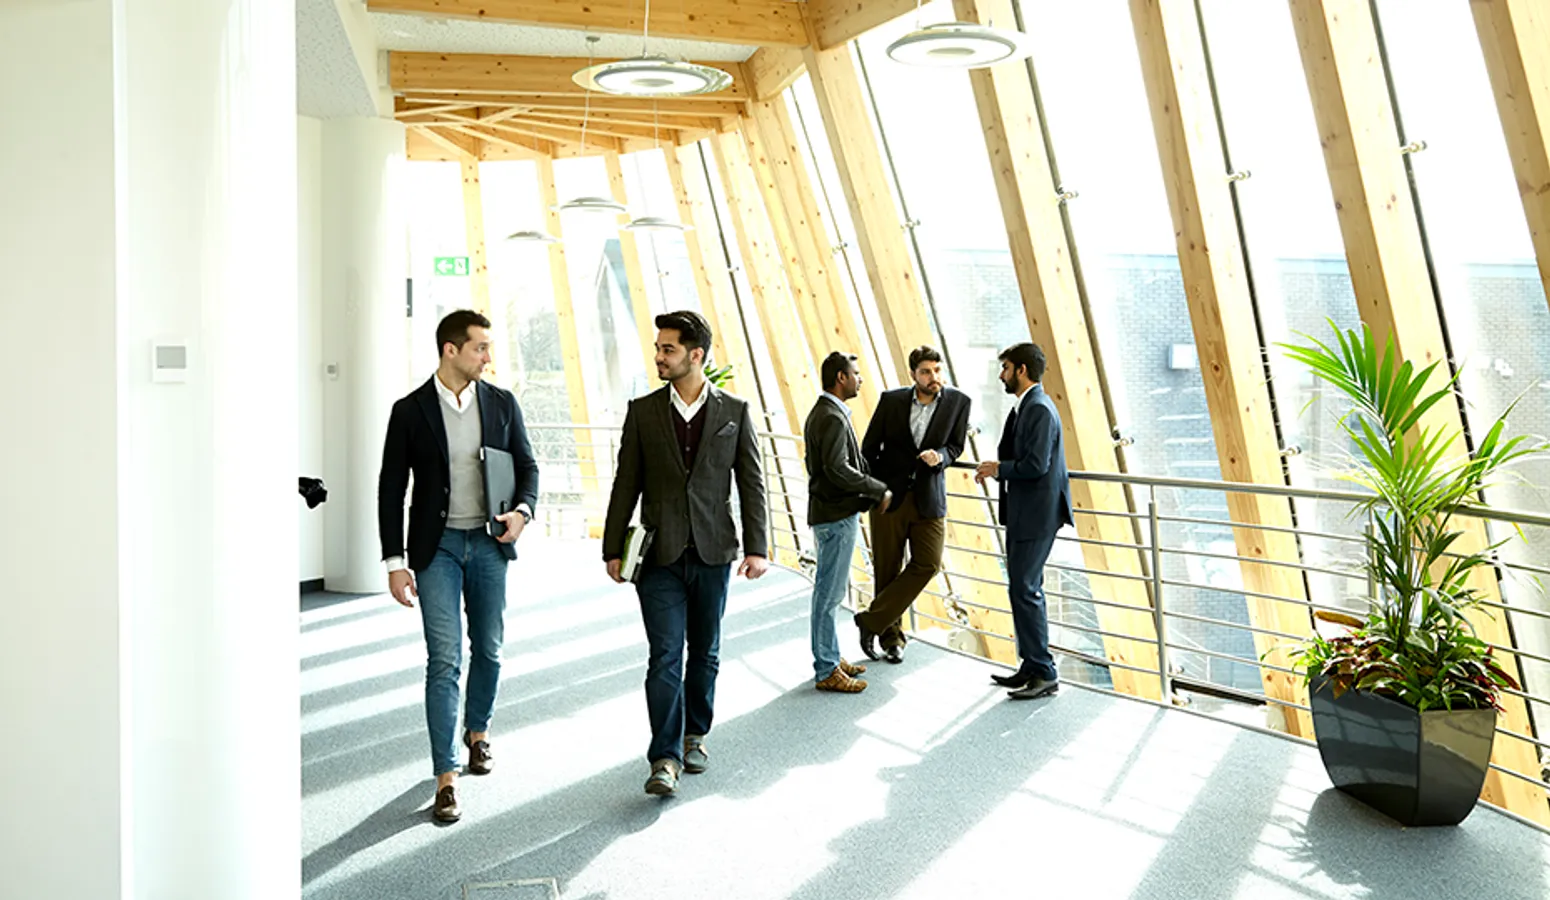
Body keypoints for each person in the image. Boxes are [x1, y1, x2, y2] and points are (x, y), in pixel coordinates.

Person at [378, 309, 539, 822]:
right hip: (437, 549)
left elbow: (529, 467)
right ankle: (445, 775)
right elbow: (390, 489)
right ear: (451, 350)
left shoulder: (502, 403)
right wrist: (395, 562)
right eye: (480, 347)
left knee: (489, 649)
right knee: (444, 659)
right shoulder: (410, 411)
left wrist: (523, 512)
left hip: (489, 544)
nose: (488, 356)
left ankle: (478, 732)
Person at [603, 310, 769, 796]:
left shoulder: (734, 411)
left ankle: (695, 733)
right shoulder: (643, 412)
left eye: (668, 349)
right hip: (659, 556)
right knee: (665, 655)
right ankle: (664, 758)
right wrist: (613, 548)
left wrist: (757, 547)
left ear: (695, 355)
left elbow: (752, 482)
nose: (659, 356)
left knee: (706, 652)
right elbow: (625, 483)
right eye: (659, 348)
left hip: (714, 551)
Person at [854, 346, 971, 664]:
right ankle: (891, 638)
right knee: (887, 568)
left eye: (937, 370)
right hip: (888, 498)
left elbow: (956, 446)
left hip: (929, 497)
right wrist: (876, 489)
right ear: (913, 374)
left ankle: (870, 620)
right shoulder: (891, 400)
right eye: (926, 372)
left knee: (929, 562)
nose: (934, 377)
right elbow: (869, 448)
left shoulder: (959, 402)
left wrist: (941, 457)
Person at [975, 342, 1073, 701]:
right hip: (1024, 512)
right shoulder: (1026, 407)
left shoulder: (1040, 409)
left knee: (1025, 588)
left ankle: (1044, 671)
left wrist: (998, 469)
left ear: (1021, 370)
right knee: (1022, 587)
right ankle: (1031, 665)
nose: (1001, 375)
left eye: (1005, 368)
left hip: (1036, 514)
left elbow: (1036, 465)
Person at [803, 352, 890, 693]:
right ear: (841, 377)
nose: (860, 379)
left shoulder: (826, 412)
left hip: (830, 514)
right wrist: (877, 488)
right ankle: (826, 668)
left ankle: (830, 656)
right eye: (856, 373)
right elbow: (837, 469)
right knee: (829, 595)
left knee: (828, 592)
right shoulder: (831, 417)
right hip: (835, 516)